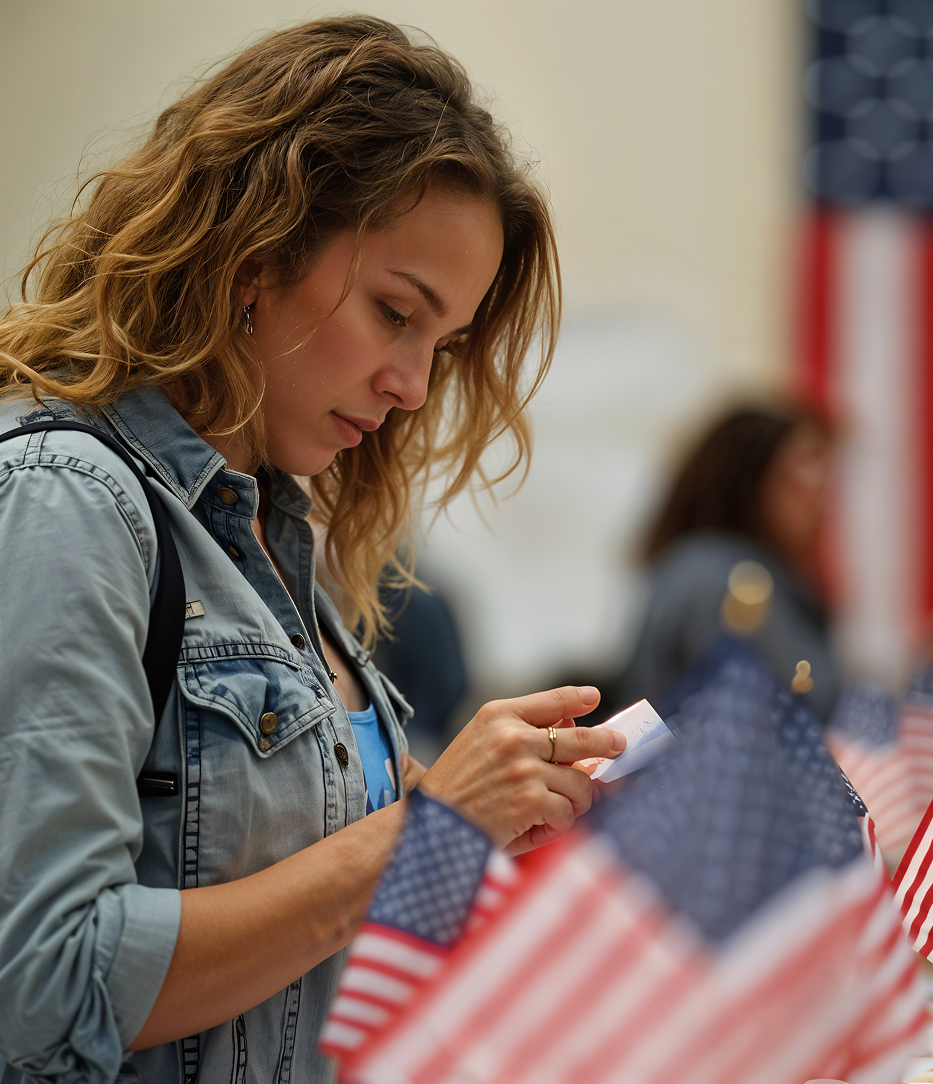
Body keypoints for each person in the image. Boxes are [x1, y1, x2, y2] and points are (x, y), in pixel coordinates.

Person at [0, 18, 624, 1084]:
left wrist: (490, 824)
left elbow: (292, 939)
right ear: (257, 255)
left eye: (443, 345)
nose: (413, 386)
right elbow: (41, 986)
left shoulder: (274, 543)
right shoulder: (71, 499)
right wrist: (427, 827)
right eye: (394, 313)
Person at [607, 403, 840, 724]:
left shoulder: (706, 566)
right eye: (809, 457)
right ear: (749, 472)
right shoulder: (726, 580)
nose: (824, 484)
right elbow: (802, 711)